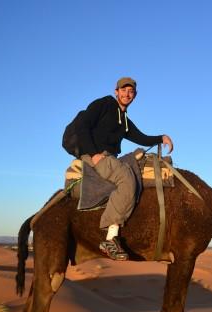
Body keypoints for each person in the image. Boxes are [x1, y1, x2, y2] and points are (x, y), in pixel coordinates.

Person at [66, 77, 174, 260]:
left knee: (133, 166)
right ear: (116, 91)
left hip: (109, 158)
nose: (127, 94)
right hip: (96, 156)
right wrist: (93, 154)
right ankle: (110, 239)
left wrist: (161, 137)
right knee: (126, 178)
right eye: (123, 90)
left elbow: (140, 137)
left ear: (135, 95)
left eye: (131, 92)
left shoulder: (123, 120)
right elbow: (83, 125)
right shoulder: (104, 104)